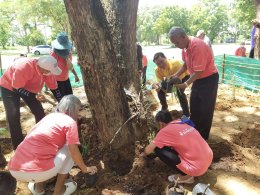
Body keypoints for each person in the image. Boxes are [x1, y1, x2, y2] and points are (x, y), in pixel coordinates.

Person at [8, 95, 97, 195]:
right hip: (39, 173)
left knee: (42, 152)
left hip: (15, 170)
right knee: (69, 149)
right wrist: (85, 169)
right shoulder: (70, 122)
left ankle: (38, 189)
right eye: (79, 110)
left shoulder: (48, 118)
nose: (79, 114)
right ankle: (58, 191)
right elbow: (73, 149)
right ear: (75, 109)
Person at [0, 56, 63, 150]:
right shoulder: (24, 67)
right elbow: (16, 87)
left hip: (27, 87)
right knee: (13, 115)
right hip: (9, 87)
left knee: (39, 112)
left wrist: (62, 102)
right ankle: (18, 146)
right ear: (42, 67)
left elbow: (54, 88)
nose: (49, 73)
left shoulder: (48, 71)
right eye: (48, 71)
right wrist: (34, 96)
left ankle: (41, 137)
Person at [168, 26, 219, 140]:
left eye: (176, 43)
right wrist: (175, 75)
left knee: (205, 109)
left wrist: (185, 84)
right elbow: (186, 65)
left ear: (183, 36)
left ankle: (203, 137)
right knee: (195, 105)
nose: (176, 46)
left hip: (209, 79)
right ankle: (194, 132)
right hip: (198, 79)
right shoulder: (185, 48)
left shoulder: (197, 45)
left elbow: (199, 71)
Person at [143, 110, 213, 184]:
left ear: (161, 124)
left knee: (158, 149)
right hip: (208, 158)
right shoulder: (181, 121)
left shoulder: (164, 131)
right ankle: (192, 165)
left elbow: (148, 150)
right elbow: (190, 126)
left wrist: (142, 155)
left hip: (197, 169)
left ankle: (187, 177)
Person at [153, 52, 190, 117]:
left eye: (162, 61)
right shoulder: (157, 70)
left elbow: (178, 81)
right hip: (170, 79)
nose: (161, 65)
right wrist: (159, 87)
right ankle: (165, 108)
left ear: (165, 58)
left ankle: (186, 113)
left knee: (180, 92)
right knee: (159, 91)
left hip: (184, 77)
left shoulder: (175, 64)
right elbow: (160, 82)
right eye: (158, 64)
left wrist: (168, 89)